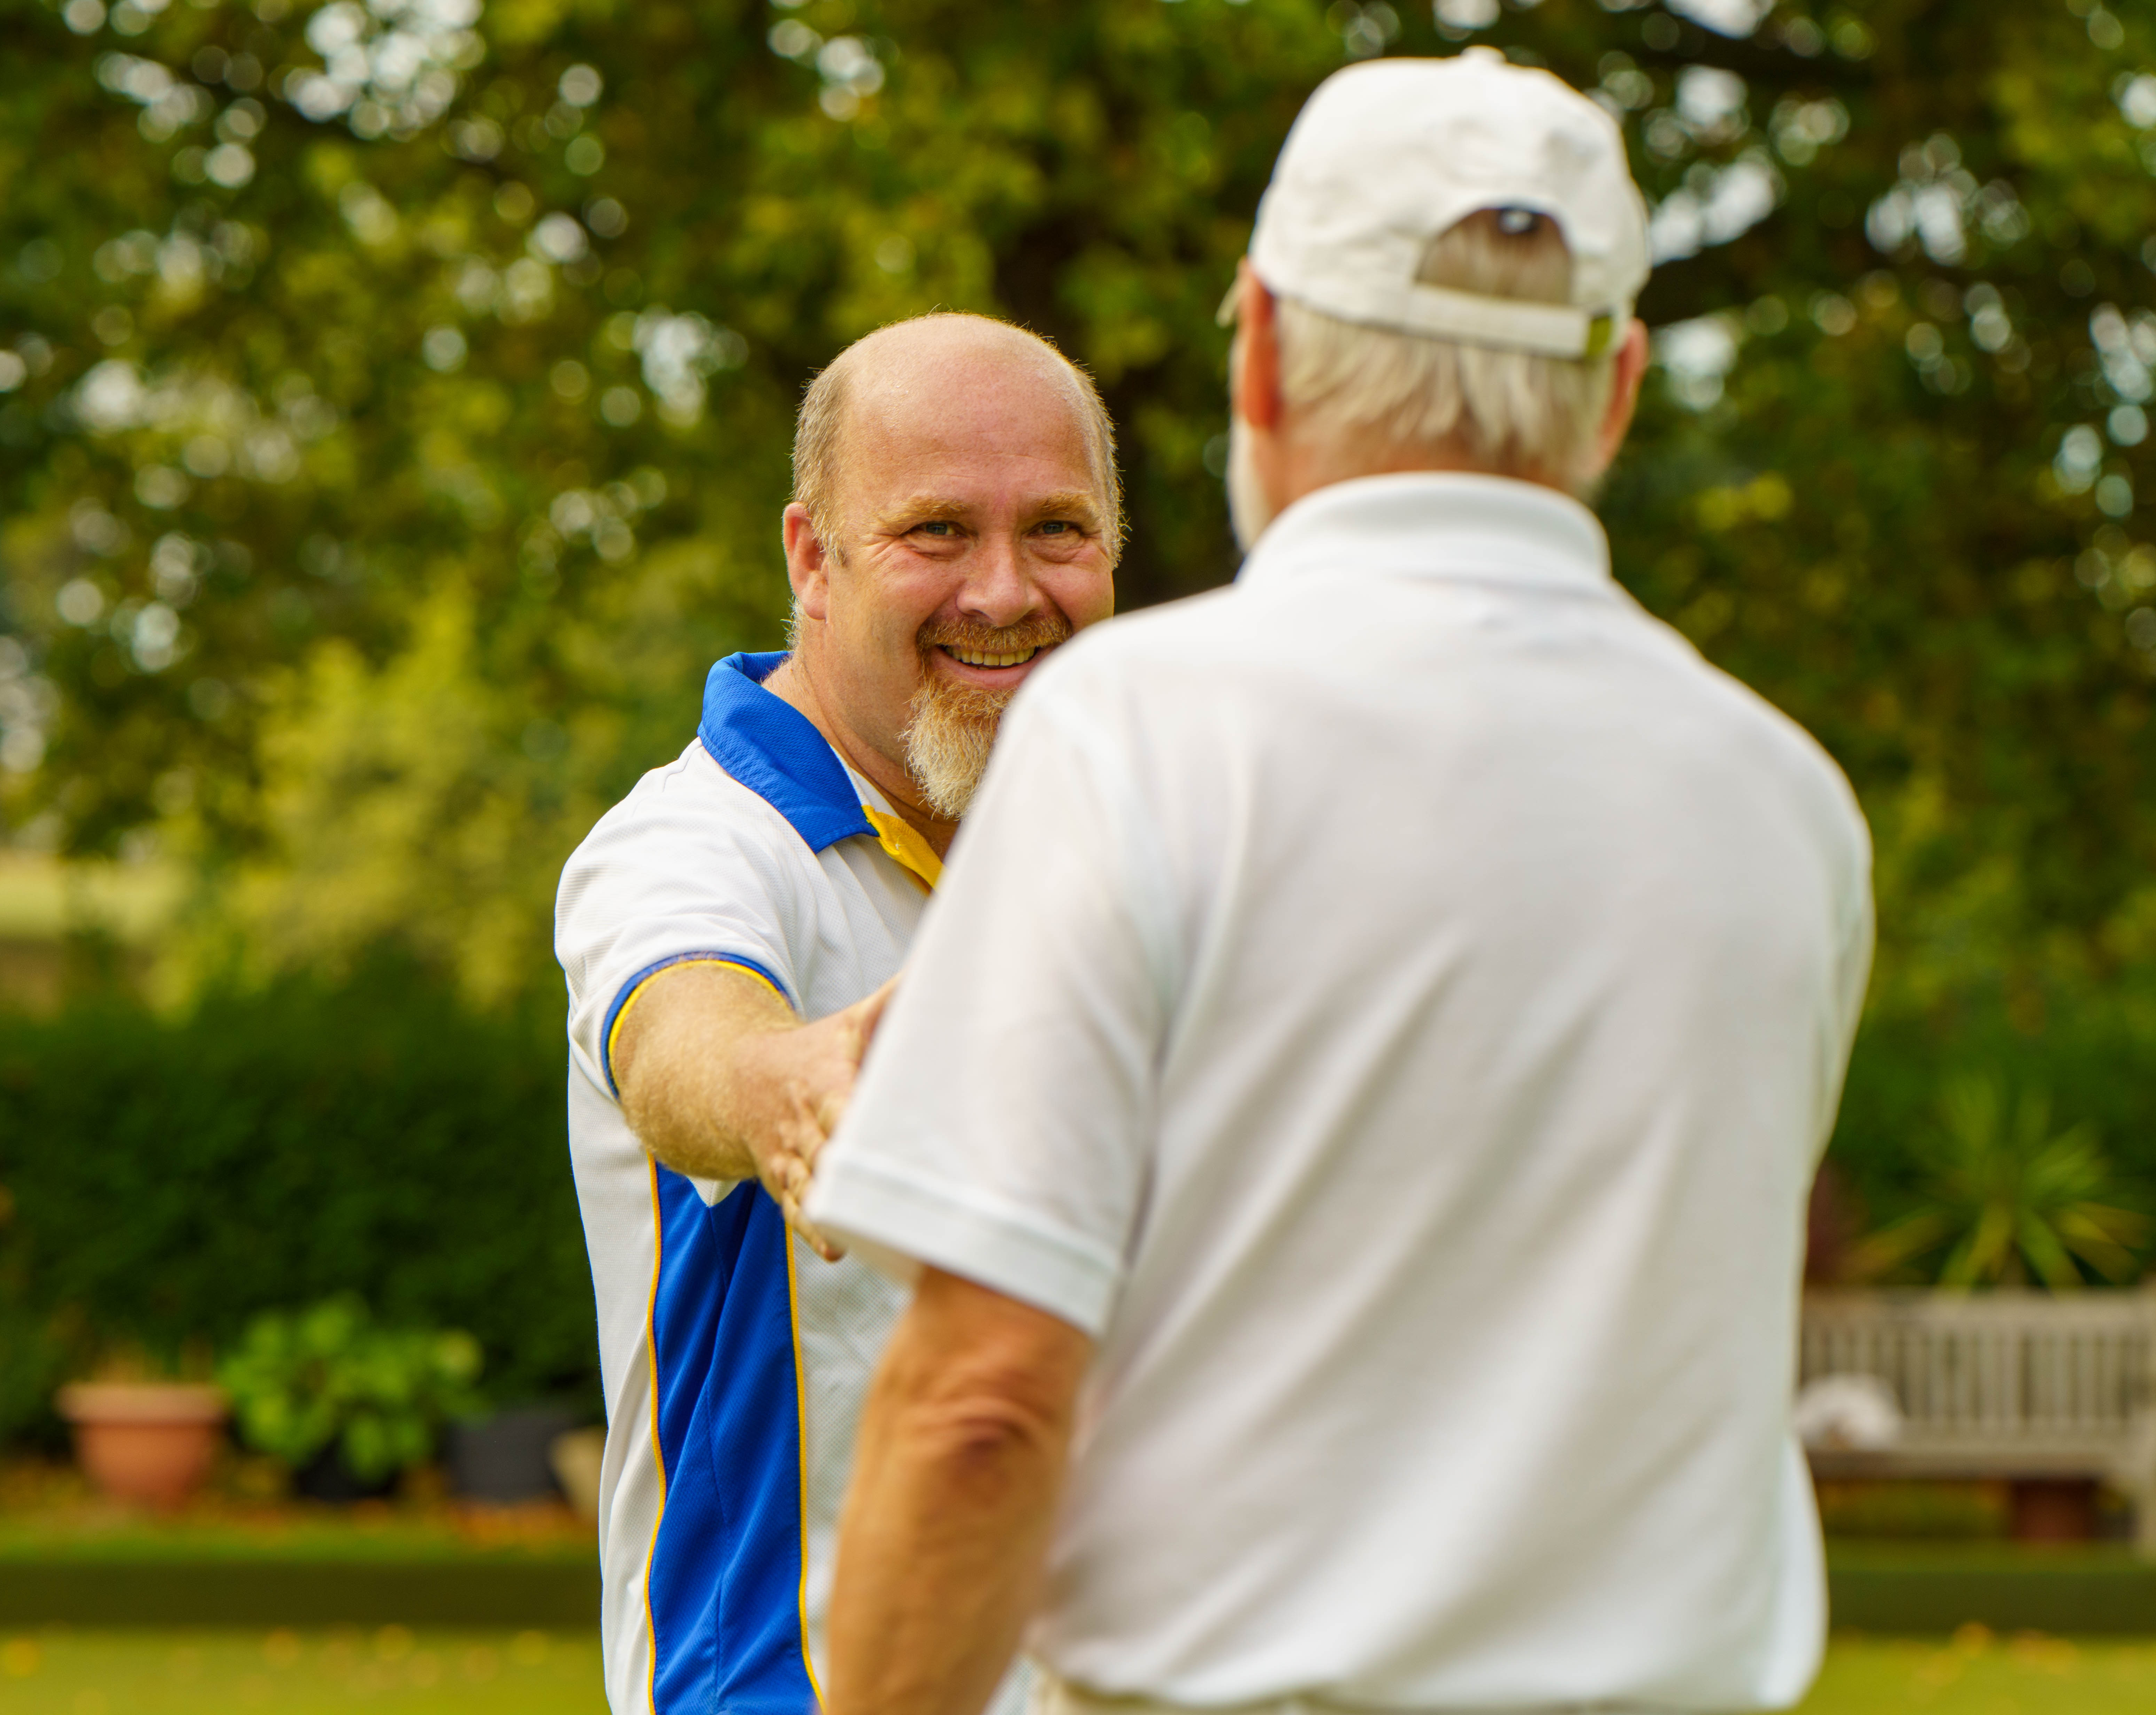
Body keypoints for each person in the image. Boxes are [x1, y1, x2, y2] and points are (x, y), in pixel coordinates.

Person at [806, 51, 1874, 1715]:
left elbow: (981, 1406)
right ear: (1616, 387)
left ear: (1261, 350)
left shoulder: (1136, 733)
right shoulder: (1786, 803)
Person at [553, 312, 1121, 1715]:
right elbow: (684, 1040)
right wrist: (788, 1088)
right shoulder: (697, 841)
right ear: (812, 559)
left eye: (1057, 530)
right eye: (936, 532)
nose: (1005, 591)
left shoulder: (1131, 848)